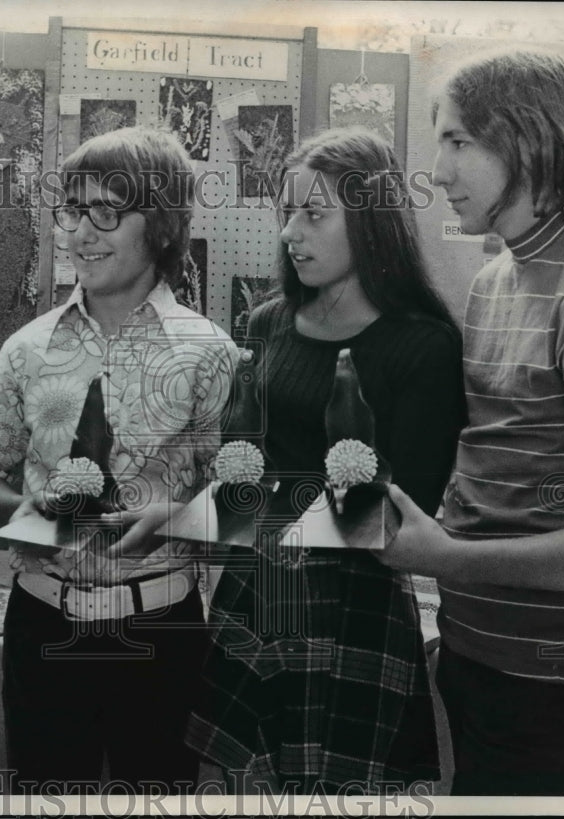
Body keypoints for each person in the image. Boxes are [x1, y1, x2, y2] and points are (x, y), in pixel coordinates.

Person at [379, 48, 564, 795]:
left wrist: (446, 558)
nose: (437, 171)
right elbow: (500, 460)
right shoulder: (497, 276)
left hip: (548, 674)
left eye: (456, 141)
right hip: (477, 647)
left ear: (525, 137)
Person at [186, 127, 466, 793]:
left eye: (314, 214)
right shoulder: (268, 324)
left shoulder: (423, 345)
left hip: (353, 612)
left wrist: (240, 510)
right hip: (255, 600)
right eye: (288, 212)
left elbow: (399, 514)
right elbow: (241, 469)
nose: (290, 232)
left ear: (372, 223)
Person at [0, 126, 238, 792]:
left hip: (161, 628)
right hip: (43, 621)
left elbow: (239, 501)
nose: (81, 233)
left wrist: (176, 515)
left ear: (164, 225)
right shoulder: (26, 350)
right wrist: (45, 518)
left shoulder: (211, 355)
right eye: (72, 210)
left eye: (106, 212)